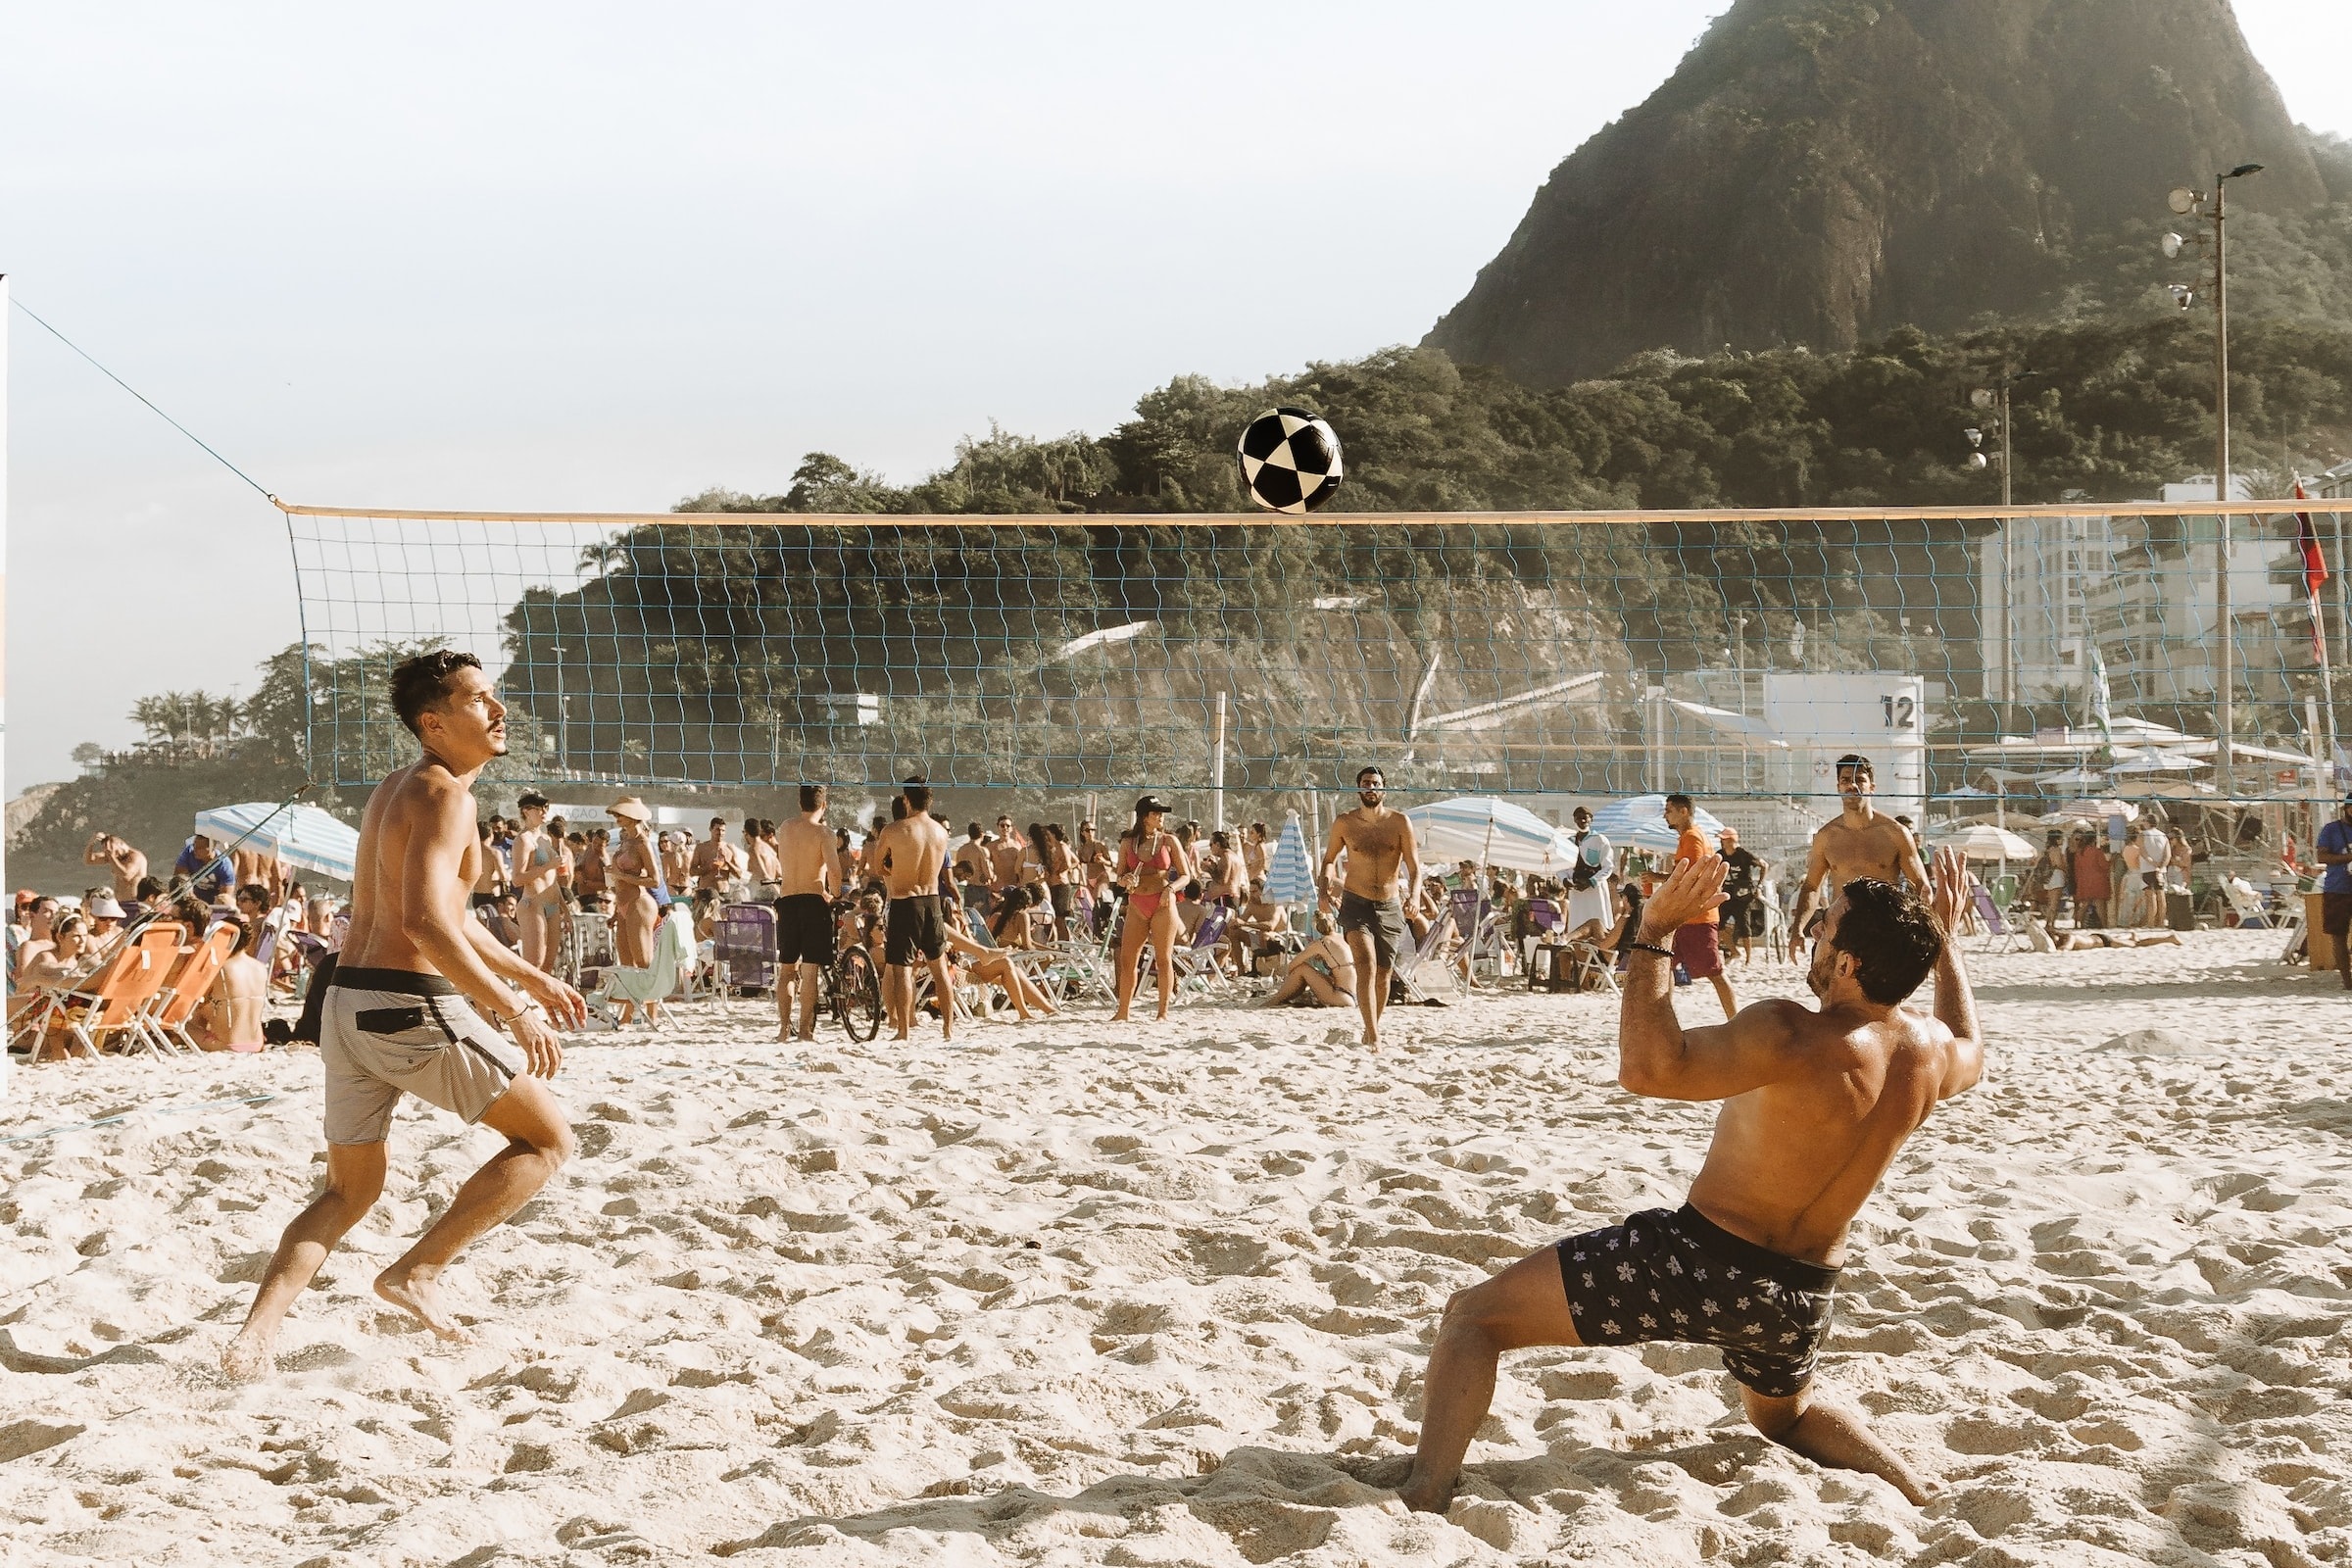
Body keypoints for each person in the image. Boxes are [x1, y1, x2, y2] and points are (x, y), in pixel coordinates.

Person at [1397, 847, 1984, 1513]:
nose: (1815, 928)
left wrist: (1655, 933)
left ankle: (1424, 1492)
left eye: (1825, 922)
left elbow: (1648, 1070)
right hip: (1798, 1295)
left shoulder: (1789, 1032)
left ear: (1847, 964)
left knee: (1472, 1318)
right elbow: (1972, 1044)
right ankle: (1913, 1487)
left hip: (1698, 1262)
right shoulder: (1929, 1056)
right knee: (1784, 1417)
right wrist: (1947, 942)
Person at [222, 650, 585, 1379]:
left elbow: (449, 916)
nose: (498, 709)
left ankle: (251, 1339)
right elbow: (423, 924)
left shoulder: (399, 788)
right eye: (478, 699)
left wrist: (529, 976)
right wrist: (511, 1008)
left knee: (348, 1191)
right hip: (405, 1006)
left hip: (345, 1003)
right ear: (434, 721)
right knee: (547, 1143)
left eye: (493, 695)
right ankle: (416, 1273)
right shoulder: (447, 797)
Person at [1788, 755, 1930, 961]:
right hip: (1842, 928)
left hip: (1884, 928)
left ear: (1871, 786)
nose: (1852, 785)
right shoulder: (1826, 836)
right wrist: (1797, 929)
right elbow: (1811, 886)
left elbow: (1921, 886)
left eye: (1859, 779)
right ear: (1838, 786)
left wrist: (1918, 927)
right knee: (1833, 991)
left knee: (1884, 992)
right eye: (1845, 780)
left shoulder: (1894, 833)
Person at [1321, 765, 1421, 1047]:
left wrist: (1413, 897)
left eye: (1376, 784)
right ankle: (1375, 1037)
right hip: (1356, 902)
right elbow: (1329, 859)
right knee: (1365, 965)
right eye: (1366, 783)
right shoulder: (1345, 823)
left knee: (1383, 975)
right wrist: (1324, 888)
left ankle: (1371, 1028)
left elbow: (1414, 868)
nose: (1371, 788)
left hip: (1389, 905)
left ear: (1383, 790)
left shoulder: (1400, 822)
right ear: (1359, 789)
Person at [873, 777, 954, 1041]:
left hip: (904, 901)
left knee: (901, 968)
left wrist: (894, 869)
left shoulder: (894, 830)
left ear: (906, 800)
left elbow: (877, 868)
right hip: (932, 900)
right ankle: (948, 1029)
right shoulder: (941, 832)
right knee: (940, 968)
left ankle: (904, 1030)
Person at [1112, 796, 1196, 1023]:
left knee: (1163, 958)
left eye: (1161, 813)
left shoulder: (1169, 841)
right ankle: (1123, 1011)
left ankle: (1162, 1012)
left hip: (1162, 903)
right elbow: (1118, 877)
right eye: (1155, 813)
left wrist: (1171, 888)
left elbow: (1186, 875)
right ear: (1143, 817)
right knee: (1128, 959)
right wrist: (1125, 880)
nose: (1160, 817)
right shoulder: (1128, 843)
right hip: (1138, 903)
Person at [774, 784, 841, 1043]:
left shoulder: (785, 828)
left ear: (799, 803)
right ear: (823, 805)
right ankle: (805, 1031)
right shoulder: (824, 833)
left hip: (788, 900)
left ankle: (783, 1029)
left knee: (787, 969)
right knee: (810, 972)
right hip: (813, 901)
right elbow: (834, 871)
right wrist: (835, 893)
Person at [1664, 795, 1737, 1019]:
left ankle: (1735, 1019)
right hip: (1685, 915)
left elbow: (1693, 873)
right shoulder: (1688, 837)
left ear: (1683, 811)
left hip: (1698, 916)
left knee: (1714, 971)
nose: (1665, 815)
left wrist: (1658, 876)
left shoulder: (1693, 837)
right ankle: (1666, 1017)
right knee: (1666, 963)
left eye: (1669, 810)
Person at [1250, 911, 1357, 1008]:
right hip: (1355, 995)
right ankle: (1285, 996)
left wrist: (1287, 980)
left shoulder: (1322, 943)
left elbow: (1292, 964)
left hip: (1341, 996)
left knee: (1302, 969)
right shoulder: (1343, 938)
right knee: (1314, 972)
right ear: (1335, 924)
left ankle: (1277, 999)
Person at [509, 792, 565, 974]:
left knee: (549, 965)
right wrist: (549, 865)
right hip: (533, 903)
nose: (544, 811)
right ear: (526, 811)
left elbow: (552, 880)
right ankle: (526, 1000)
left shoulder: (546, 839)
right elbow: (517, 879)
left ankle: (542, 1003)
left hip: (552, 904)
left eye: (546, 807)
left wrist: (565, 909)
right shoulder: (523, 840)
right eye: (539, 808)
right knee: (534, 965)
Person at [191, 922, 270, 1052]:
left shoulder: (221, 969)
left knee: (177, 1026)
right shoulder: (260, 967)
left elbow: (197, 1002)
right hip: (257, 1043)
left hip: (226, 1045)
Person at [607, 799, 666, 966]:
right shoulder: (626, 841)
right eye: (616, 814)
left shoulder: (642, 843)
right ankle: (634, 993)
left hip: (638, 902)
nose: (617, 817)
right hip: (624, 904)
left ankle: (652, 993)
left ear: (632, 816)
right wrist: (616, 912)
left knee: (643, 961)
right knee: (626, 962)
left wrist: (621, 875)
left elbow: (655, 880)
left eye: (621, 813)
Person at [2317, 799, 2352, 989]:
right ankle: (2347, 981)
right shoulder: (2331, 829)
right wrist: (2347, 857)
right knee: (2338, 936)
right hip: (2337, 889)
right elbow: (2321, 856)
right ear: (2346, 809)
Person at [1720, 827, 1768, 966]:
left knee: (1744, 926)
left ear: (1731, 840)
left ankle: (1748, 959)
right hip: (1726, 893)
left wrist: (1759, 885)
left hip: (1743, 895)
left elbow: (1764, 865)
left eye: (1724, 839)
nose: (1722, 842)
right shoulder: (1720, 854)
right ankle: (1734, 951)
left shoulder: (1743, 854)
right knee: (1719, 925)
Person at [84, 832, 148, 902]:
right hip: (119, 902)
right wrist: (91, 843)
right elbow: (89, 860)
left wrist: (111, 856)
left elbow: (126, 875)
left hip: (134, 902)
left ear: (121, 844)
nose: (114, 854)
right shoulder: (115, 856)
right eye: (108, 851)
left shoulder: (136, 857)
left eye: (115, 851)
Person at [175, 833, 236, 906]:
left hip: (214, 903)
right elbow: (179, 879)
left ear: (211, 848)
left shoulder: (224, 865)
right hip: (192, 898)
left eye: (200, 848)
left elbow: (225, 896)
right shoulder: (189, 852)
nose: (195, 850)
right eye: (194, 845)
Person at [2022, 831, 2069, 922]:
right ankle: (2050, 923)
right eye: (2061, 838)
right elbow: (2058, 864)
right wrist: (2066, 870)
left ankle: (2049, 922)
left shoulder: (2045, 851)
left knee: (2050, 902)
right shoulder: (2056, 850)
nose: (2063, 840)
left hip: (2047, 878)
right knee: (2054, 903)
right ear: (2057, 839)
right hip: (2056, 876)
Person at [690, 816, 744, 897]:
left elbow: (739, 875)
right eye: (717, 829)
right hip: (705, 891)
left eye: (723, 830)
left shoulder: (730, 848)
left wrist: (728, 862)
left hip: (723, 891)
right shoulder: (701, 848)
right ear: (710, 829)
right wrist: (709, 867)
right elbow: (692, 871)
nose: (720, 833)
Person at [2070, 828, 2111, 929]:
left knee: (2084, 904)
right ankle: (2104, 926)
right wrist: (2112, 861)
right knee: (2100, 904)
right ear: (2094, 840)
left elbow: (2077, 868)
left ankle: (2077, 924)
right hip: (2097, 880)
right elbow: (2104, 865)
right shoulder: (2097, 851)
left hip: (2084, 880)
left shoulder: (2079, 853)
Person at [2137, 818, 2173, 930]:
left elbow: (2143, 852)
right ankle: (2161, 922)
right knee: (2161, 895)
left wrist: (2153, 863)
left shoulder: (2143, 835)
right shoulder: (2163, 836)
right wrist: (2161, 866)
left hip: (2148, 868)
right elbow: (2168, 855)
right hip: (2161, 870)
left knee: (2150, 895)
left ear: (2147, 822)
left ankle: (2151, 922)